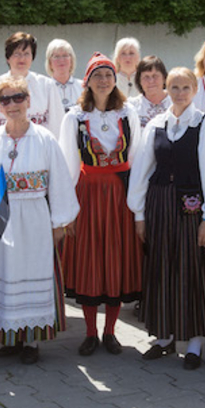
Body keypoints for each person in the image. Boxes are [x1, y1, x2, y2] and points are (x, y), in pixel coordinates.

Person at [128, 67, 205, 370]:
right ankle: (164, 338)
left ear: (194, 90)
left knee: (191, 269)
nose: (180, 93)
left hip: (190, 207)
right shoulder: (157, 124)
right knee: (160, 267)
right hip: (159, 204)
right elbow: (142, 169)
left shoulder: (203, 125)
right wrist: (139, 213)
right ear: (166, 90)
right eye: (174, 87)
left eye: (185, 87)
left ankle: (194, 343)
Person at [0, 77, 79, 364]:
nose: (12, 104)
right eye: (5, 100)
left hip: (33, 213)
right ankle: (8, 336)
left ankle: (31, 340)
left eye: (18, 98)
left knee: (30, 269)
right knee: (2, 271)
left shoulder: (44, 139)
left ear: (29, 101)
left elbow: (60, 181)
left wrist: (59, 221)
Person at [60, 54, 142, 355]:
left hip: (119, 195)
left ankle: (110, 331)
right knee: (91, 259)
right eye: (98, 75)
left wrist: (137, 205)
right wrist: (68, 211)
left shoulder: (128, 113)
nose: (104, 81)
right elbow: (68, 165)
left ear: (115, 80)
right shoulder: (75, 117)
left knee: (115, 259)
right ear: (87, 81)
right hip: (88, 193)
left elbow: (137, 157)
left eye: (108, 75)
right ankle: (90, 332)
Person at [0, 32, 65, 138]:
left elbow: (58, 127)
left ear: (32, 57)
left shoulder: (47, 86)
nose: (22, 58)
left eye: (26, 54)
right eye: (17, 54)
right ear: (8, 58)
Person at [128, 55, 171, 129]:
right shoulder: (132, 106)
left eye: (155, 76)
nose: (151, 81)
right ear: (139, 81)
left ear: (164, 78)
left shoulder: (176, 102)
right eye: (146, 77)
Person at [45, 39, 83, 112]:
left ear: (71, 60)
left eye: (65, 56)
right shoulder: (44, 88)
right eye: (56, 56)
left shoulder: (83, 87)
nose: (61, 60)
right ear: (49, 62)